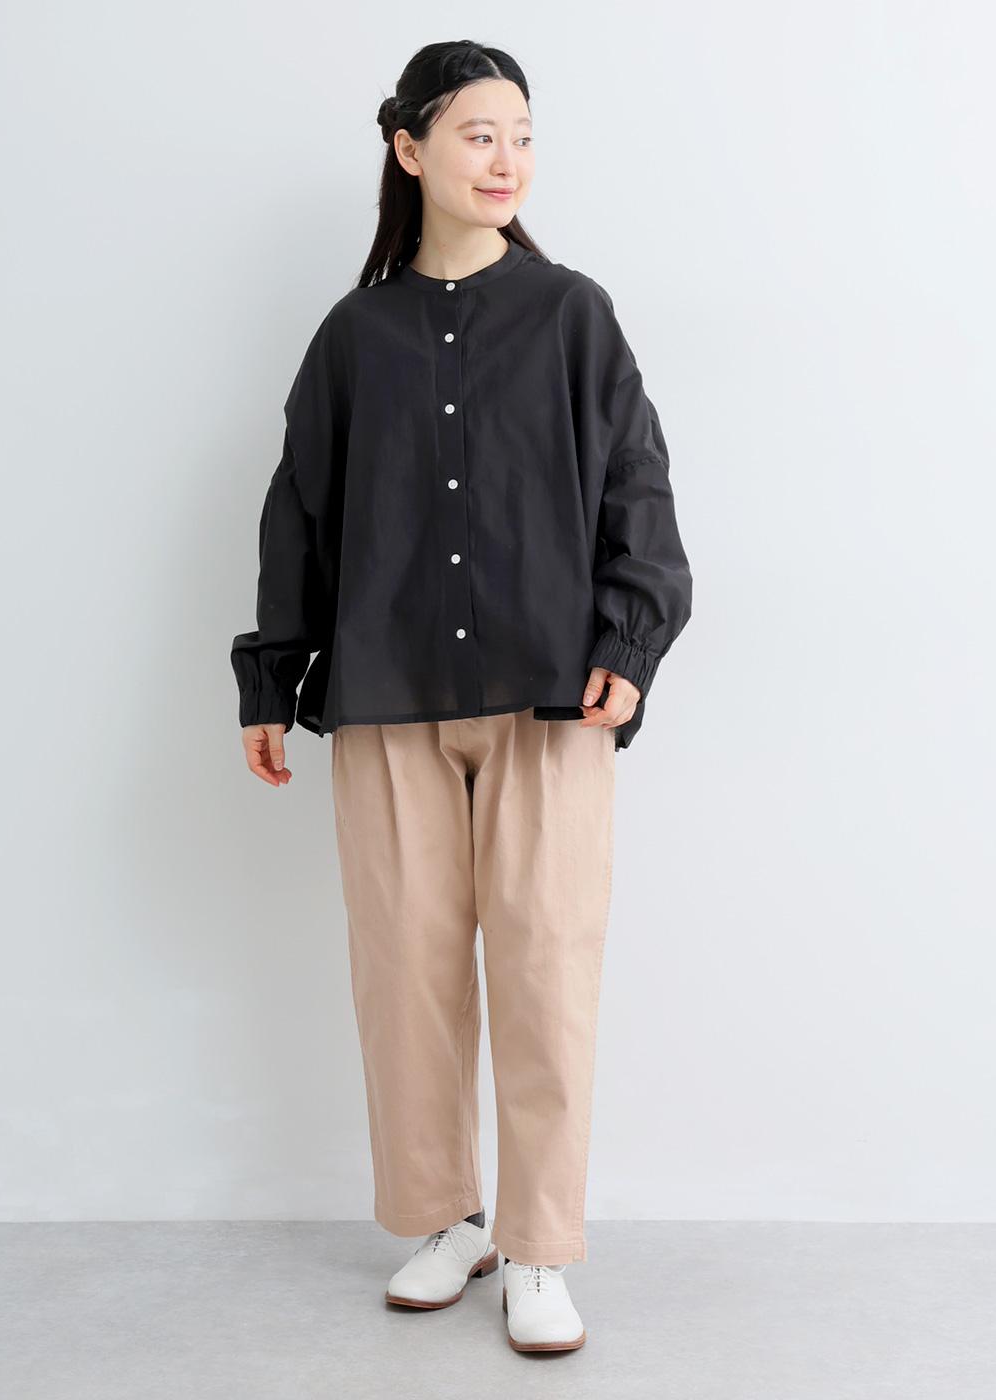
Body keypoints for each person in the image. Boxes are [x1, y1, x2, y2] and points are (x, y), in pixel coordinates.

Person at [230, 40, 692, 1353]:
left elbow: (639, 485)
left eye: (522, 136)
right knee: (407, 974)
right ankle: (450, 1220)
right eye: (480, 133)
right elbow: (301, 508)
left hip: (552, 698)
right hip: (387, 698)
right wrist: (272, 676)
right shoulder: (355, 335)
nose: (507, 160)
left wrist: (630, 640)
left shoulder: (572, 315)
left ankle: (540, 1246)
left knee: (544, 969)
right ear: (410, 147)